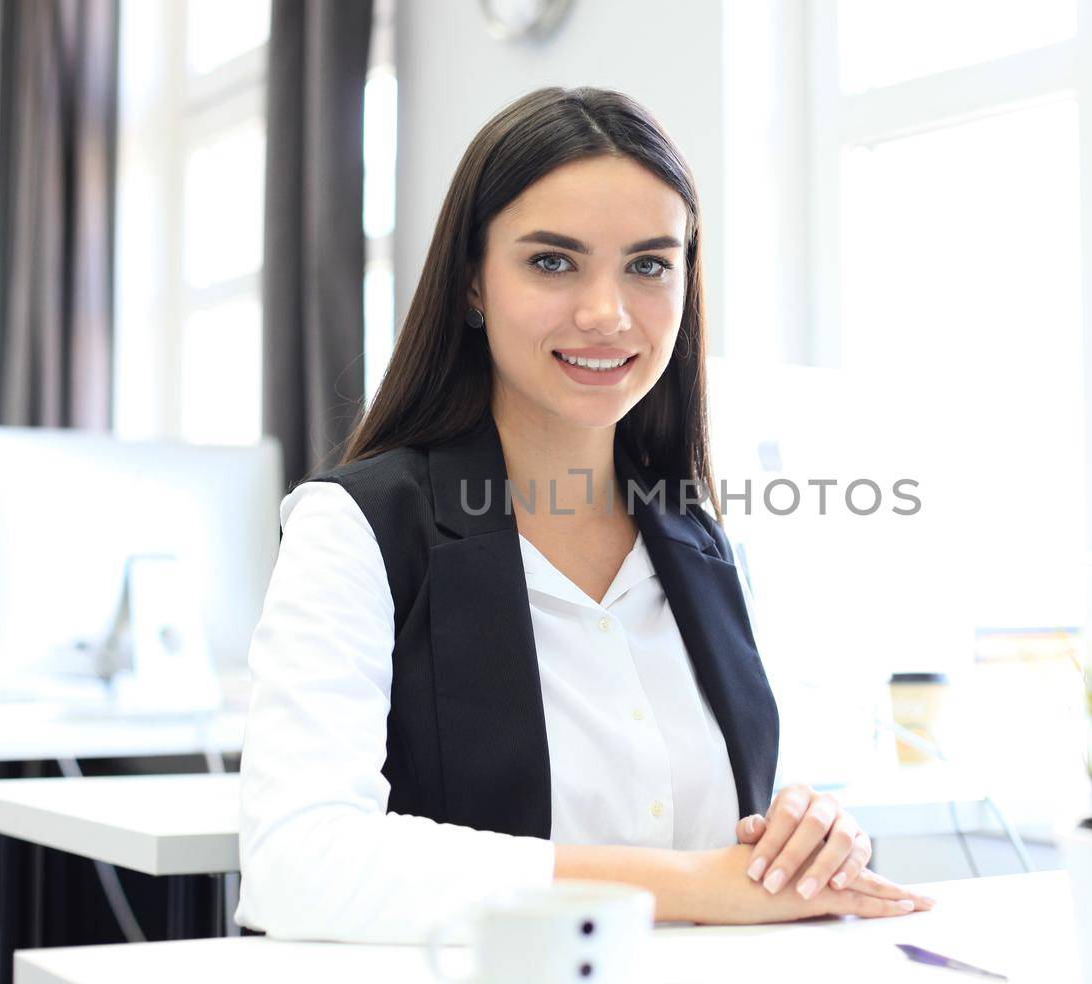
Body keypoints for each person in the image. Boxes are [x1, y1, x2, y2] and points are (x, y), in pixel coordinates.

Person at [236, 85, 934, 943]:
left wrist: (808, 841)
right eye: (553, 261)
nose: (607, 314)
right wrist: (692, 885)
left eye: (648, 265)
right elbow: (297, 863)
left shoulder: (699, 537)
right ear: (472, 286)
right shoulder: (357, 528)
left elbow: (737, 826)